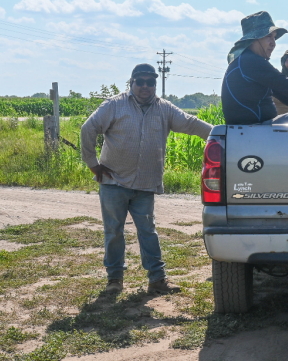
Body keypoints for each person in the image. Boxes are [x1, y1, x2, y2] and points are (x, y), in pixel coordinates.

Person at [81, 63, 213, 296]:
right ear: (131, 83)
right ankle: (114, 279)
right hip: (114, 181)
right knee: (113, 231)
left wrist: (222, 133)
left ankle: (157, 280)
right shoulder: (114, 105)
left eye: (150, 82)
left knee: (148, 232)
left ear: (154, 85)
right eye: (140, 82)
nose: (145, 86)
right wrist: (93, 164)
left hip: (145, 183)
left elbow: (191, 124)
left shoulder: (165, 109)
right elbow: (88, 129)